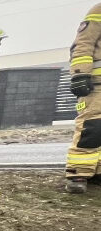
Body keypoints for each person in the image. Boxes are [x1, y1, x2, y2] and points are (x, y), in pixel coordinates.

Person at [65, 3, 101, 194]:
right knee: (92, 127)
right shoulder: (98, 11)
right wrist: (80, 74)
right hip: (97, 85)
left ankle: (96, 170)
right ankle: (77, 172)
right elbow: (83, 43)